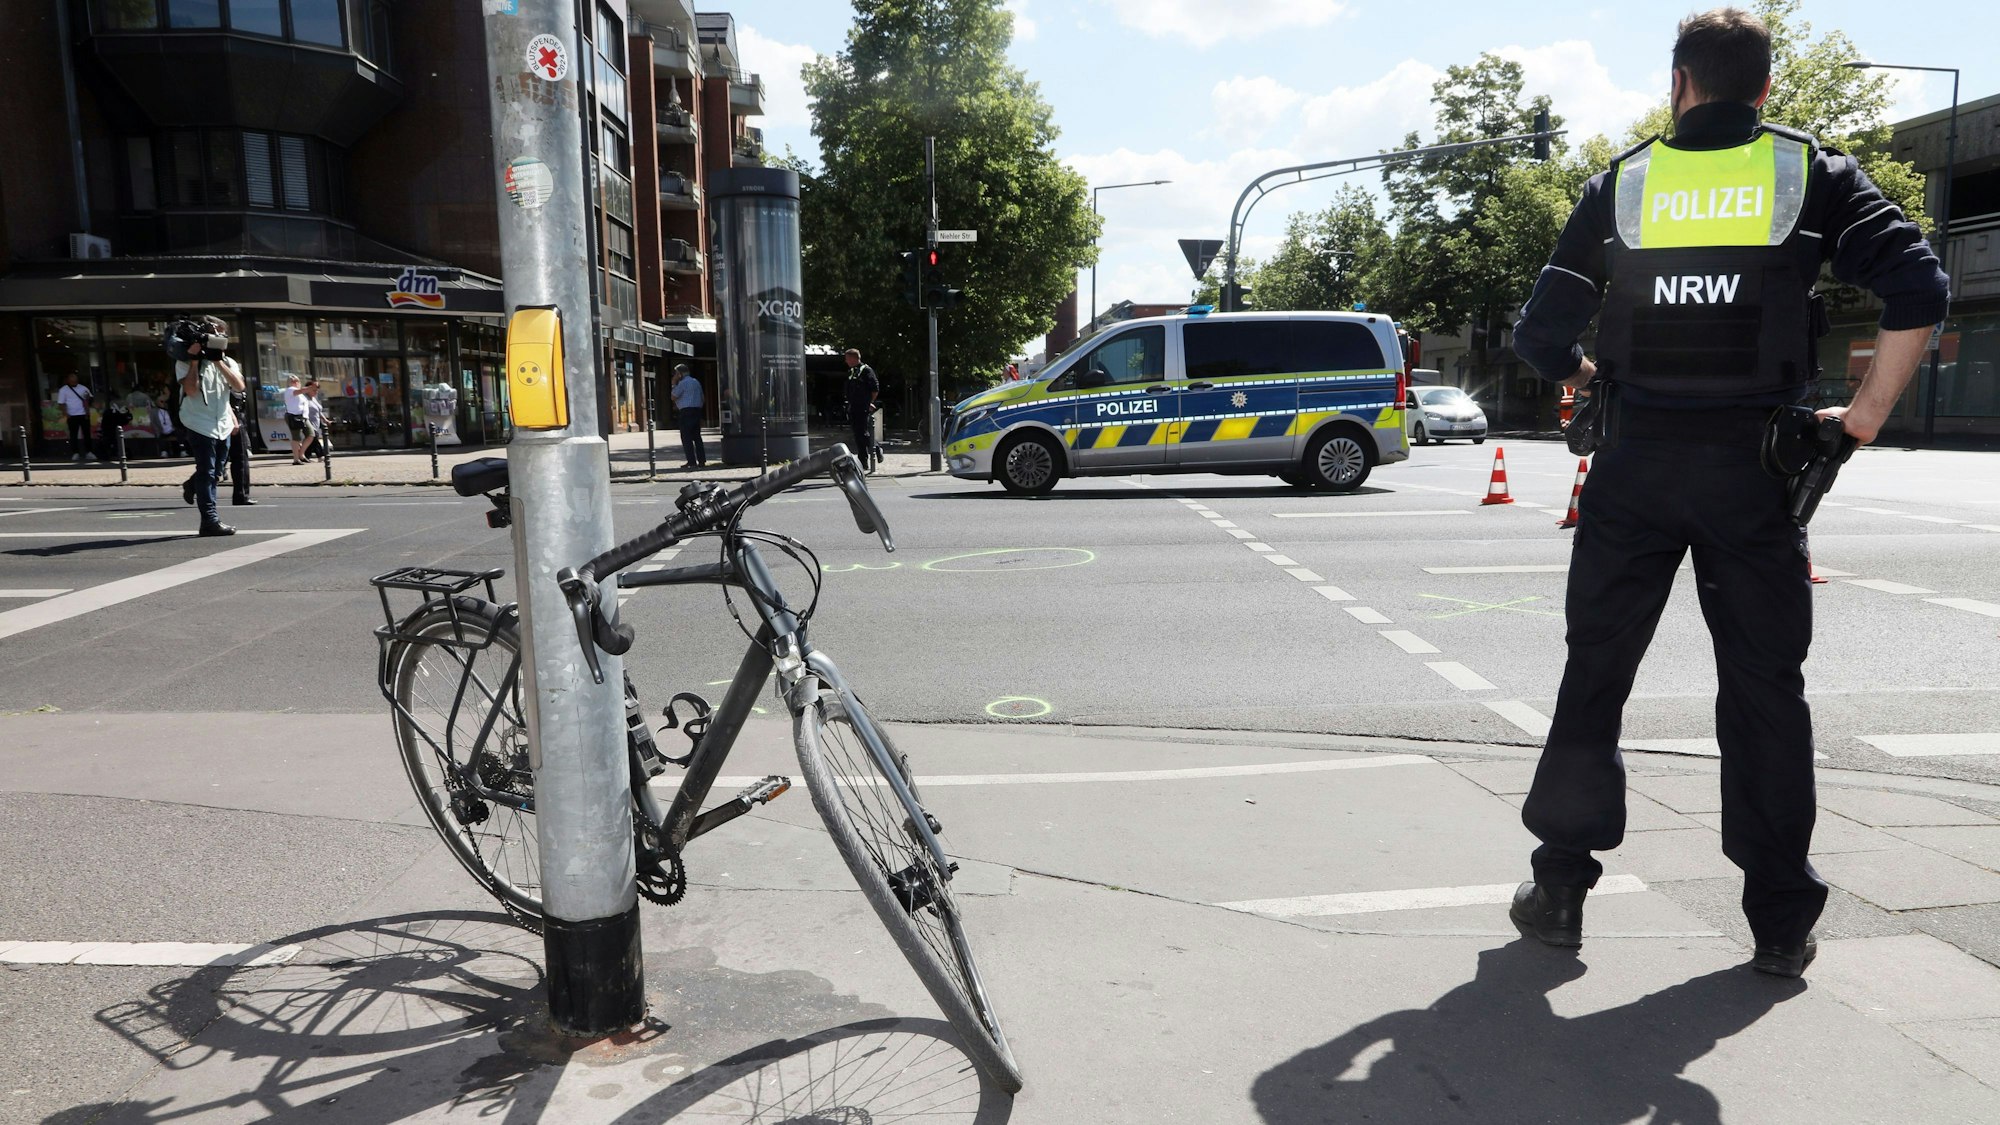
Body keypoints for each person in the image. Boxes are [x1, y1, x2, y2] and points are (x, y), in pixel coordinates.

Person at [1505, 7, 1949, 978]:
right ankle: (1778, 920)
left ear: (1677, 85)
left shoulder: (1621, 184)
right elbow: (1919, 286)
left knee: (1596, 678)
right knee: (1760, 692)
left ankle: (1560, 891)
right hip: (1754, 476)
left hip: (1630, 470)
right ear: (1761, 90)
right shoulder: (1808, 176)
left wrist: (1580, 371)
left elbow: (1535, 336)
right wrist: (1862, 418)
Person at [174, 316, 247, 536]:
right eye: (215, 334)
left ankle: (192, 484)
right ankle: (209, 521)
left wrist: (218, 362)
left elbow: (239, 387)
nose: (219, 338)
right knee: (207, 472)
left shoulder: (228, 362)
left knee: (216, 472)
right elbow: (191, 390)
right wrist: (195, 361)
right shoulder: (184, 361)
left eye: (222, 335)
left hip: (222, 422)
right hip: (198, 421)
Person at [842, 348, 878, 466]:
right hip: (853, 406)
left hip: (862, 406)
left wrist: (869, 402)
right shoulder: (852, 371)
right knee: (857, 434)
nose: (846, 361)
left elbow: (874, 389)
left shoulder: (866, 370)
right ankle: (863, 460)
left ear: (853, 358)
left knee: (863, 432)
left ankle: (876, 448)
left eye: (847, 359)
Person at [669, 363, 707, 468]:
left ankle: (691, 461)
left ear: (680, 374)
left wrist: (673, 383)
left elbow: (673, 396)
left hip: (686, 412)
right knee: (697, 437)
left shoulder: (682, 383)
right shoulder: (696, 382)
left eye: (676, 373)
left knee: (686, 438)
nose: (675, 375)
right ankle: (702, 460)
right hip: (697, 410)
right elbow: (702, 398)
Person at [55, 373, 96, 462]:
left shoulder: (83, 388)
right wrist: (66, 413)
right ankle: (75, 452)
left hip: (83, 414)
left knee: (87, 434)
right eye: (72, 380)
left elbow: (89, 399)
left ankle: (89, 452)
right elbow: (61, 403)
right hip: (72, 415)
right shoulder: (64, 390)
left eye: (75, 380)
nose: (74, 382)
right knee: (73, 435)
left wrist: (87, 410)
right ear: (68, 381)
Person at [282, 374, 312, 464]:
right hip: (293, 416)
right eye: (293, 381)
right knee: (296, 437)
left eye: (297, 381)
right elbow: (300, 391)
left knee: (311, 434)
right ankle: (296, 459)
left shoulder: (299, 392)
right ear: (290, 383)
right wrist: (309, 388)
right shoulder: (290, 390)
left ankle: (301, 454)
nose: (296, 383)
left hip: (302, 416)